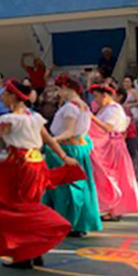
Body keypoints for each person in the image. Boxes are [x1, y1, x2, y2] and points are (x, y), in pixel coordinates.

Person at [0, 79, 85, 269]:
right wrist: (64, 157)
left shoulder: (10, 120)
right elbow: (49, 140)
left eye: (5, 94)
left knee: (19, 209)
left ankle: (26, 253)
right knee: (28, 204)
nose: (2, 96)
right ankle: (34, 251)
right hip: (37, 165)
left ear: (12, 96)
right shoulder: (34, 117)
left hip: (21, 167)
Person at [42, 76, 102, 238]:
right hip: (79, 147)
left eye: (59, 89)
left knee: (67, 188)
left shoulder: (70, 107)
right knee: (80, 185)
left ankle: (69, 222)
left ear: (67, 88)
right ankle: (79, 222)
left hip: (68, 148)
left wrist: (50, 141)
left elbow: (68, 131)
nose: (58, 93)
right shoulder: (84, 105)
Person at [89, 83, 138, 219]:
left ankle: (115, 209)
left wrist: (91, 117)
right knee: (108, 175)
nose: (95, 99)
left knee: (114, 175)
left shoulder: (114, 109)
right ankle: (112, 208)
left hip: (113, 146)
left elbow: (107, 127)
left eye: (96, 96)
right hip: (107, 144)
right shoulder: (105, 109)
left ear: (105, 95)